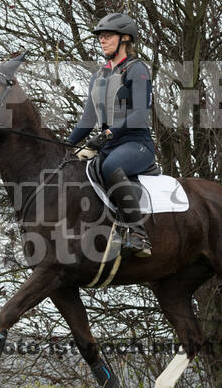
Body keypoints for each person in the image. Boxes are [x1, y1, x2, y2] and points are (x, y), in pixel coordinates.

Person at [66, 13, 156, 258]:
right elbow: (87, 120)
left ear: (125, 38)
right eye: (100, 37)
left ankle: (139, 234)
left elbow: (138, 114)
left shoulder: (137, 70)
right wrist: (67, 145)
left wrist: (104, 137)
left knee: (110, 166)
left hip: (136, 145)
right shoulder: (99, 75)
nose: (102, 41)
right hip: (108, 145)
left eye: (107, 36)